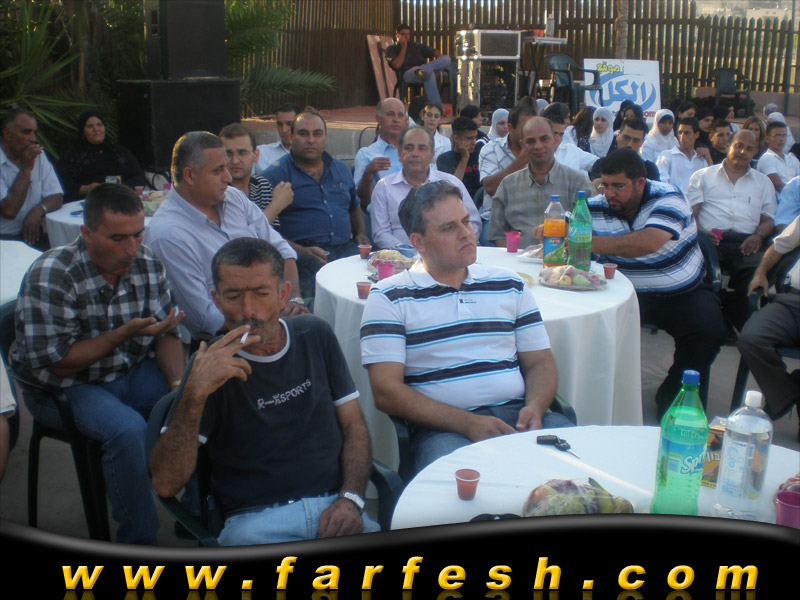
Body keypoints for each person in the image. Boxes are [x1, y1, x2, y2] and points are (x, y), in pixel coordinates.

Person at [149, 237, 380, 545]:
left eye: (261, 294)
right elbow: (165, 483)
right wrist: (194, 393)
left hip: (335, 508)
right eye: (233, 296)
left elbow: (353, 425)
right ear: (216, 300)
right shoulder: (208, 366)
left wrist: (351, 499)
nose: (249, 311)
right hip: (254, 524)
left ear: (283, 294)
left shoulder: (315, 334)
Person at [10, 183, 186, 544]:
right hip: (66, 387)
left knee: (200, 394)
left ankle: (198, 513)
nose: (131, 249)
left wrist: (177, 388)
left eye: (137, 235)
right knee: (127, 431)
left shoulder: (147, 262)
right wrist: (123, 333)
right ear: (87, 233)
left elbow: (167, 333)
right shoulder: (53, 274)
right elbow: (59, 363)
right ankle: (139, 545)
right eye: (118, 238)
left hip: (129, 370)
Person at [361, 181, 573, 472]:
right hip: (446, 428)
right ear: (418, 243)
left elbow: (540, 362)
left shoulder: (508, 283)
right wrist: (467, 423)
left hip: (521, 415)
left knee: (581, 471)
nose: (466, 233)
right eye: (449, 228)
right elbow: (386, 391)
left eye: (465, 221)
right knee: (465, 490)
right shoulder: (389, 297)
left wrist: (535, 408)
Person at [586, 149, 726, 417]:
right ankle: (594, 397)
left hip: (682, 294)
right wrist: (550, 228)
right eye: (605, 185)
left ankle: (674, 396)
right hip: (622, 294)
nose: (609, 193)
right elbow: (563, 229)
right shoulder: (595, 206)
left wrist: (585, 241)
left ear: (640, 183)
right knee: (587, 324)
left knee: (708, 330)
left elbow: (648, 242)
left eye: (618, 186)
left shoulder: (669, 197)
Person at [144, 131, 305, 341]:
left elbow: (281, 249)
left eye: (226, 168)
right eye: (218, 170)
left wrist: (294, 300)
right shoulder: (168, 235)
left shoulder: (233, 198)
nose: (228, 177)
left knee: (318, 328)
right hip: (228, 339)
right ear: (189, 175)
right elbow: (206, 319)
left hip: (274, 310)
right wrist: (273, 320)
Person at [686, 129, 777, 332]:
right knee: (702, 269)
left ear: (755, 153)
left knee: (761, 270)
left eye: (749, 149)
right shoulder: (703, 176)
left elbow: (768, 220)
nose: (742, 151)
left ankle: (726, 314)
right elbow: (690, 215)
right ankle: (716, 321)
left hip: (747, 242)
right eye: (738, 146)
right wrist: (702, 233)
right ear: (729, 146)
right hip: (711, 239)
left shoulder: (763, 182)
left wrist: (758, 236)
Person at [263, 109, 371, 263]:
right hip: (302, 254)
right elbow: (263, 228)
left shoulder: (341, 169)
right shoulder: (274, 175)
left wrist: (361, 233)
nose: (311, 140)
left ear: (325, 137)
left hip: (345, 249)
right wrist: (300, 251)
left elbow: (354, 207)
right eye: (303, 134)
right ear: (291, 137)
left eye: (317, 134)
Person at [489, 117, 593, 248]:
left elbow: (592, 232)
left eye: (544, 139)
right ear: (523, 146)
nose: (538, 146)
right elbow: (497, 235)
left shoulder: (578, 183)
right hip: (518, 258)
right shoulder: (508, 185)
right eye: (530, 141)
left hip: (563, 258)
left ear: (556, 140)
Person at [371, 126, 480, 249]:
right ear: (399, 154)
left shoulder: (452, 183)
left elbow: (473, 223)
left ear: (432, 156)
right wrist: (411, 253)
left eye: (422, 148)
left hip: (449, 254)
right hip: (401, 257)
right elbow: (381, 233)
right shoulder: (384, 187)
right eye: (408, 148)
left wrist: (453, 248)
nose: (415, 154)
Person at [738, 214, 800, 428]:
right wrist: (761, 272)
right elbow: (780, 245)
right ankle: (788, 392)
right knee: (752, 338)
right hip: (791, 300)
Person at [1, 108, 63, 248]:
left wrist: (38, 210)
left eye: (35, 132)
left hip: (34, 235)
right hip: (4, 240)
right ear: (7, 134)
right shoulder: (27, 161)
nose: (33, 139)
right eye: (26, 132)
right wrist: (26, 169)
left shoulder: (39, 156)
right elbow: (9, 211)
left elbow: (57, 195)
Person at [56, 111, 148, 202]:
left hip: (121, 199)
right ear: (83, 131)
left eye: (99, 125)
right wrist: (84, 189)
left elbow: (139, 177)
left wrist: (119, 187)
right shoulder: (71, 156)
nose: (96, 129)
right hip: (86, 202)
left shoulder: (121, 152)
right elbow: (59, 181)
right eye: (90, 126)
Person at [219, 123, 293, 226]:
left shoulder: (262, 185)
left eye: (242, 153)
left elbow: (272, 232)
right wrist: (277, 204)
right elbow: (244, 234)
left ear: (256, 155)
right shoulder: (220, 191)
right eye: (228, 154)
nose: (235, 161)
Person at [353, 98, 407, 210]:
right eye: (390, 114)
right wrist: (368, 174)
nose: (396, 119)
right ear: (378, 119)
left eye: (400, 115)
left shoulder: (415, 152)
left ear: (406, 121)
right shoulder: (366, 154)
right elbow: (360, 201)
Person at [385, 23, 452, 107]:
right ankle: (437, 108)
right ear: (397, 35)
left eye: (408, 34)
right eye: (403, 34)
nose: (406, 37)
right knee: (429, 75)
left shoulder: (416, 46)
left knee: (446, 58)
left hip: (423, 68)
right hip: (409, 73)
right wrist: (404, 47)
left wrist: (433, 64)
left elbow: (435, 52)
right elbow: (397, 65)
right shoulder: (392, 48)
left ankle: (424, 70)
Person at [590, 118, 660, 184]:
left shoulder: (649, 169)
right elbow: (597, 188)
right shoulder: (601, 164)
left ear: (642, 142)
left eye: (636, 140)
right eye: (626, 138)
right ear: (618, 136)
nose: (629, 144)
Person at [655, 117, 711, 192]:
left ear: (696, 135)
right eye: (680, 133)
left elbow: (709, 185)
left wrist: (708, 158)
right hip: (673, 198)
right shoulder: (666, 156)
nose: (682, 137)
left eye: (687, 133)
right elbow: (662, 185)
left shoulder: (702, 160)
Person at [436, 115, 482, 199]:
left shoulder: (480, 154)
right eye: (469, 138)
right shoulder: (444, 159)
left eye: (475, 137)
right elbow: (452, 188)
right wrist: (464, 158)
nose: (474, 142)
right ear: (456, 138)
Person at [254, 103, 301, 174]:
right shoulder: (260, 153)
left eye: (289, 124)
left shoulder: (312, 155)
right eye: (280, 124)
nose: (284, 130)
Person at [757, 121, 800, 194]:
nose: (781, 139)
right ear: (767, 139)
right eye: (777, 135)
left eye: (784, 135)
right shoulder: (766, 159)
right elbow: (779, 186)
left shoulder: (793, 160)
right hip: (778, 199)